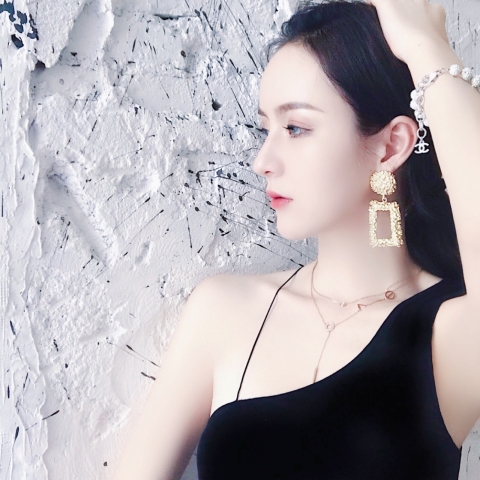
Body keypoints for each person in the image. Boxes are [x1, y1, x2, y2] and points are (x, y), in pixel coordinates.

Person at [111, 0, 480, 479]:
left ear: (391, 145)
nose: (263, 161)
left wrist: (426, 47)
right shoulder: (224, 311)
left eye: (296, 128)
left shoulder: (449, 336)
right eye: (266, 128)